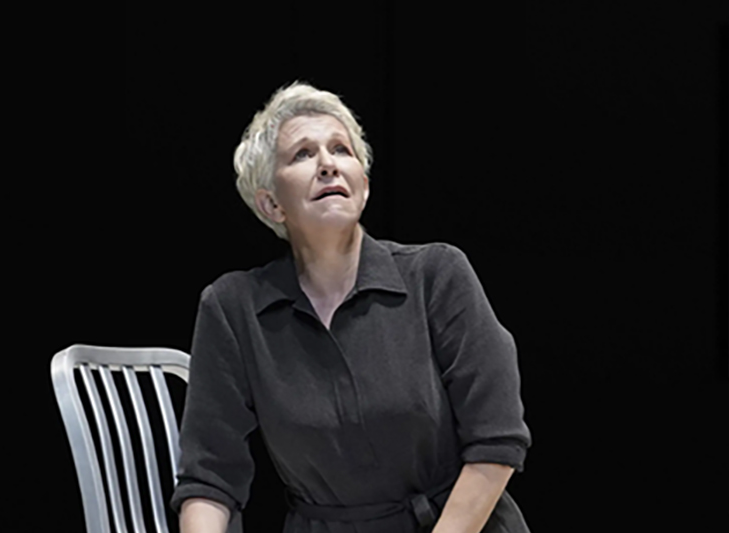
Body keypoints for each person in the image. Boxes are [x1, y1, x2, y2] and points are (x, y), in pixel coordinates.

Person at [170, 82, 532, 533]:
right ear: (271, 204)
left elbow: (496, 442)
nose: (328, 164)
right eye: (303, 154)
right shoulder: (233, 308)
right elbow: (210, 477)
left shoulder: (436, 274)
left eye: (341, 150)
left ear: (363, 185)